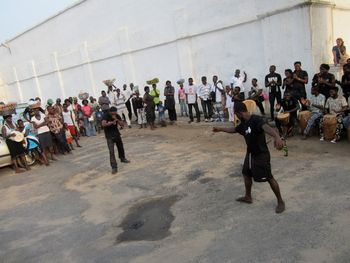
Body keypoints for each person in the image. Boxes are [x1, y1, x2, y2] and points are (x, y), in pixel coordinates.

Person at [213, 102, 285, 214]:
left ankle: (280, 202)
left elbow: (267, 128)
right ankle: (248, 196)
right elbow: (234, 130)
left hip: (261, 154)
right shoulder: (243, 124)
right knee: (246, 173)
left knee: (269, 178)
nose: (236, 116)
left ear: (239, 113)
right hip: (251, 154)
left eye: (236, 114)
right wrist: (220, 129)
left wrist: (277, 137)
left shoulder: (256, 120)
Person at [102, 106, 130, 174]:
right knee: (111, 152)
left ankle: (122, 158)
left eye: (115, 112)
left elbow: (122, 125)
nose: (114, 114)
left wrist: (117, 120)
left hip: (117, 134)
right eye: (113, 113)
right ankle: (114, 167)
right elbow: (103, 124)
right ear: (110, 112)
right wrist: (111, 122)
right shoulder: (106, 116)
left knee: (120, 147)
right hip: (109, 136)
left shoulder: (117, 115)